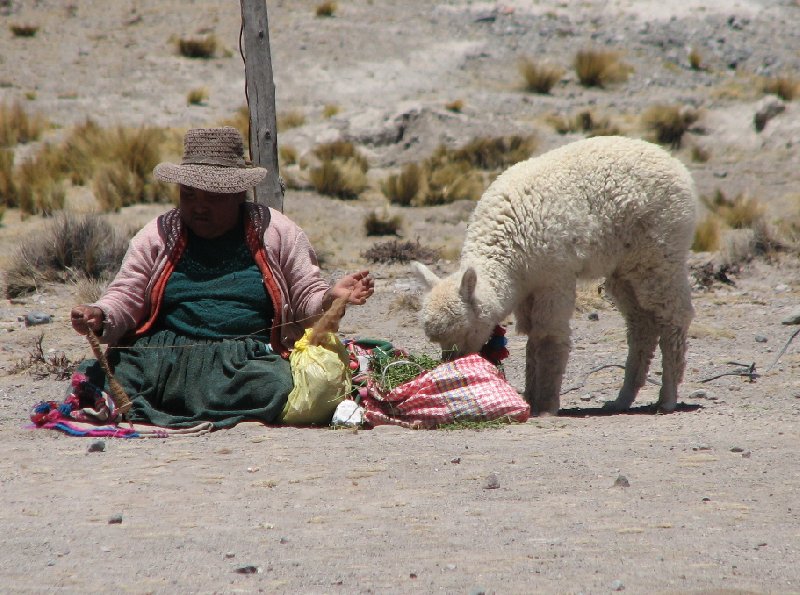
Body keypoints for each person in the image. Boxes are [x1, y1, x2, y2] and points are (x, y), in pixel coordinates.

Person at [70, 126, 374, 428]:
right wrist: (101, 314)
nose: (199, 207)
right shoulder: (159, 234)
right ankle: (203, 405)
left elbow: (305, 295)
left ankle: (177, 405)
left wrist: (330, 299)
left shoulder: (277, 232)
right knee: (99, 376)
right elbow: (127, 294)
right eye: (189, 195)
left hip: (242, 360)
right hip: (164, 356)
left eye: (212, 197)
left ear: (238, 194)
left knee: (274, 384)